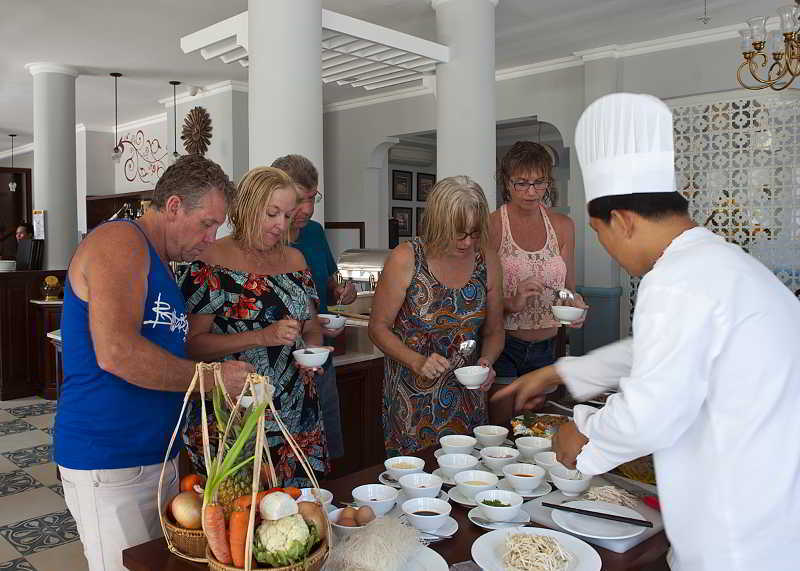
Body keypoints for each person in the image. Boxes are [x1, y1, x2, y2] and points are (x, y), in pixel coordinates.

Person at [493, 93, 800, 571]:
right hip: (767, 518)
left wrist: (583, 435)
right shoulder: (719, 263)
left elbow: (650, 412)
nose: (608, 249)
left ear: (622, 221)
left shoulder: (675, 282)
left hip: (737, 535)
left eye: (600, 234)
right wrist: (561, 373)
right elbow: (662, 354)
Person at [55, 154, 254, 571]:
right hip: (110, 454)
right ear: (175, 205)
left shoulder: (159, 260)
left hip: (153, 454)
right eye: (206, 223)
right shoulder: (120, 242)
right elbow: (117, 353)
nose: (211, 236)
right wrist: (213, 380)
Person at [180, 166, 329, 487]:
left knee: (298, 513)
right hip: (234, 411)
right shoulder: (209, 260)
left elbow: (311, 325)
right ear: (246, 207)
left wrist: (313, 354)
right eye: (272, 213)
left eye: (288, 216)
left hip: (295, 408)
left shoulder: (296, 260)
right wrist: (262, 336)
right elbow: (192, 343)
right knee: (240, 514)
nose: (281, 225)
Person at [369, 176, 505, 457]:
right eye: (459, 233)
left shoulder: (487, 260)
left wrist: (487, 363)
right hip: (412, 403)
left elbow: (495, 330)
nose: (468, 242)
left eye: (475, 233)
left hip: (468, 399)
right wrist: (416, 361)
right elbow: (378, 328)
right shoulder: (407, 259)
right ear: (437, 223)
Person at [270, 154, 356, 461]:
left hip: (320, 354)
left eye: (312, 198)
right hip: (278, 363)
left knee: (326, 445)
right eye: (299, 200)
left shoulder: (316, 232)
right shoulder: (269, 239)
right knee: (286, 454)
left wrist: (343, 290)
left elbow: (331, 284)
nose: (306, 209)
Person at [488, 141, 586, 378]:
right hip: (502, 345)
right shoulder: (492, 225)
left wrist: (576, 304)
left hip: (549, 346)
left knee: (541, 415)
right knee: (505, 413)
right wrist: (512, 303)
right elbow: (477, 296)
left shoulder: (563, 226)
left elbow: (568, 289)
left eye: (539, 182)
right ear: (507, 183)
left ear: (548, 182)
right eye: (521, 183)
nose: (531, 192)